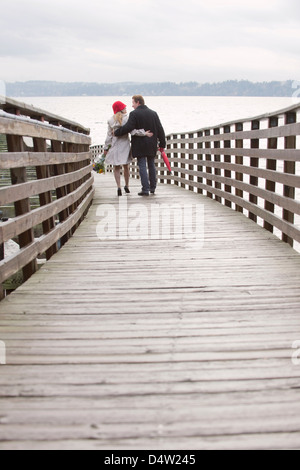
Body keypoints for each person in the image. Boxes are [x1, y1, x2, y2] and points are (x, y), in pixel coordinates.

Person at [114, 95, 166, 196]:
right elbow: (160, 129)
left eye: (133, 103)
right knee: (151, 164)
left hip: (140, 144)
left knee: (142, 165)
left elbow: (128, 127)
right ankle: (152, 188)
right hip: (151, 144)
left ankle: (145, 189)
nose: (132, 105)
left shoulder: (134, 114)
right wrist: (162, 144)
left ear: (138, 102)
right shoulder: (153, 113)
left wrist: (117, 132)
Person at [104, 101, 153, 196]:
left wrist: (106, 148)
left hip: (115, 146)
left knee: (116, 167)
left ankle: (118, 187)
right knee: (126, 166)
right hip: (125, 145)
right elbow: (133, 131)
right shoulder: (126, 119)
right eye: (124, 107)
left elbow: (109, 136)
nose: (126, 109)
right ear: (121, 109)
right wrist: (144, 133)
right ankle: (127, 185)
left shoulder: (110, 120)